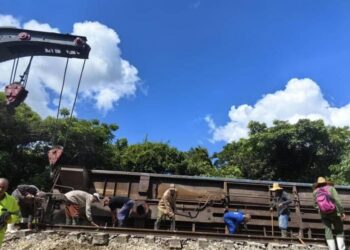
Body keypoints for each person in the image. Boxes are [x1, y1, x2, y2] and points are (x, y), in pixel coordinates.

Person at [313, 177, 346, 250]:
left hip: (323, 214)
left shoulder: (315, 192)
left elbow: (315, 205)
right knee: (339, 230)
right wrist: (342, 212)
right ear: (326, 182)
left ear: (317, 184)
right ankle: (341, 248)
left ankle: (332, 248)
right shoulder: (331, 188)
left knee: (328, 231)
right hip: (335, 213)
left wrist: (322, 209)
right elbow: (338, 201)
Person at [0, 178, 20, 246]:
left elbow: (16, 214)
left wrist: (9, 218)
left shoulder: (11, 200)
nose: (0, 189)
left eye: (3, 187)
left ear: (6, 188)